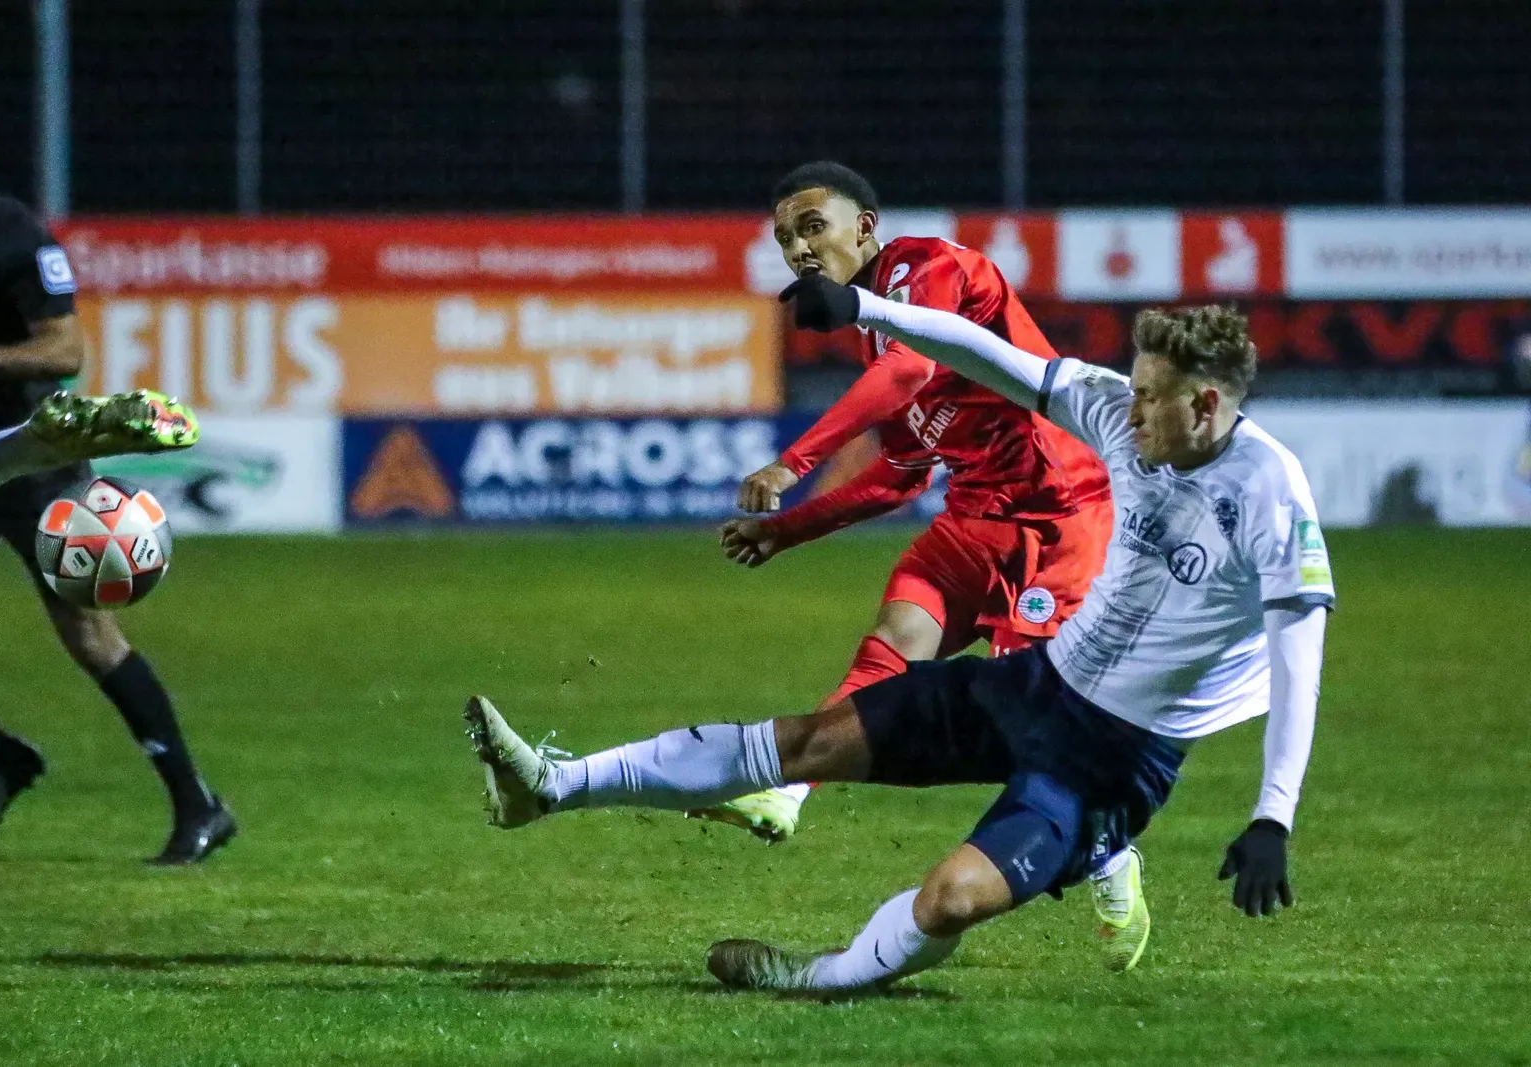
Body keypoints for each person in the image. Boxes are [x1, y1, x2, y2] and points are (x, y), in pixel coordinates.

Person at [464, 287, 1330, 993]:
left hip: (1111, 760)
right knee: (808, 740)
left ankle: (819, 975)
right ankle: (553, 784)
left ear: (1205, 404)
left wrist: (1272, 815)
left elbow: (1300, 656)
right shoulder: (1114, 414)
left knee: (951, 899)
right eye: (1131, 388)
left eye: (1149, 396)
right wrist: (866, 309)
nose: (1128, 408)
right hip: (1033, 686)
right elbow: (986, 352)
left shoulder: (1269, 493)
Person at [705, 162, 1146, 970]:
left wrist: (794, 462)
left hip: (1059, 516)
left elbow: (911, 366)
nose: (799, 249)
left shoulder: (928, 268)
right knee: (895, 637)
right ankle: (788, 789)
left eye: (813, 227)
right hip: (975, 517)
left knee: (1033, 728)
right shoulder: (874, 334)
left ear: (865, 228)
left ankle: (1110, 847)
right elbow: (903, 472)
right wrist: (789, 532)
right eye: (785, 238)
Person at [0, 91, 232, 864]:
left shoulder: (13, 235)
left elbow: (65, 351)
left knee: (90, 635)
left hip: (32, 459)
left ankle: (197, 804)